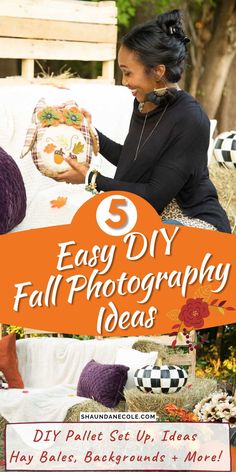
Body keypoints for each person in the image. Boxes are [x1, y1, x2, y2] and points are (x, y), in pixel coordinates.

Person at [57, 9, 231, 233]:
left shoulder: (192, 119)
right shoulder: (143, 102)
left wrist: (91, 178)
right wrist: (89, 133)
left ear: (158, 71)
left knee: (146, 240)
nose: (124, 81)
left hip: (192, 222)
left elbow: (154, 195)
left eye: (128, 73)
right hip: (149, 218)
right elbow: (135, 161)